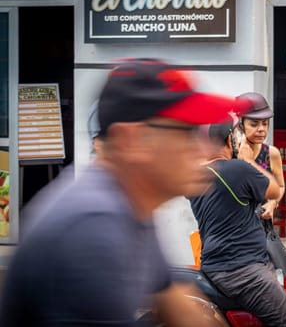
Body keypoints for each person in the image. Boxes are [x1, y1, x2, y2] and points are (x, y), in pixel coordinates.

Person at [0, 58, 252, 326]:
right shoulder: (92, 228)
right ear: (133, 140)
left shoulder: (133, 206)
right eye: (187, 132)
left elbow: (175, 299)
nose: (203, 150)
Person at [189, 115, 286, 327]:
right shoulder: (237, 170)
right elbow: (275, 189)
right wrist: (248, 161)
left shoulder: (197, 174)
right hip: (243, 270)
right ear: (229, 139)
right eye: (237, 134)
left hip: (220, 264)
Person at [235, 92, 285, 220]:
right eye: (254, 124)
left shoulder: (271, 153)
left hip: (262, 225)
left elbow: (280, 186)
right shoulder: (232, 153)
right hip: (235, 225)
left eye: (265, 123)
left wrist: (273, 203)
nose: (261, 129)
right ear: (240, 126)